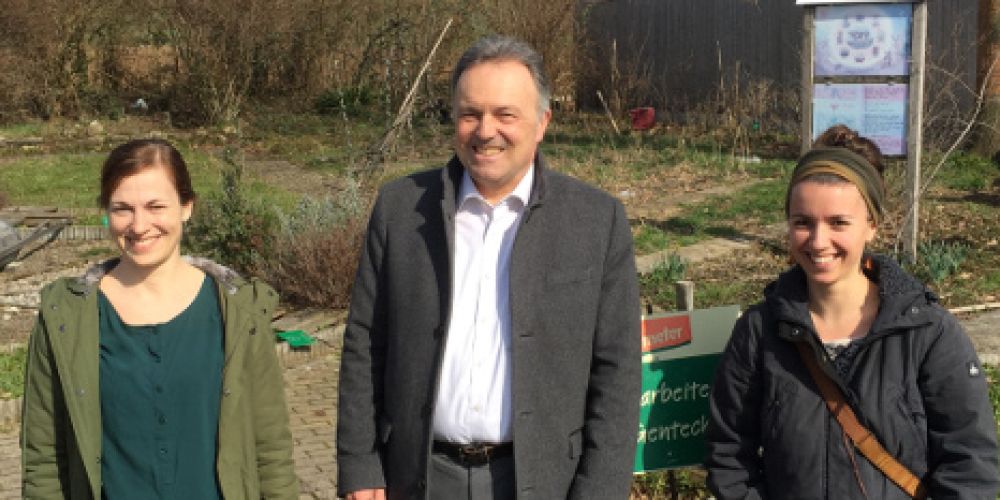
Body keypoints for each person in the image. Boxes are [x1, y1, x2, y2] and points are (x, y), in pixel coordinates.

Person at [336, 35, 642, 500]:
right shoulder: (400, 210)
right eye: (470, 113)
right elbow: (365, 342)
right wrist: (360, 465)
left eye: (505, 114)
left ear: (542, 122)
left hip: (541, 482)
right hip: (418, 476)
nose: (485, 130)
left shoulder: (597, 222)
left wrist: (599, 491)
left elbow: (616, 372)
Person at [705, 125, 1000, 499]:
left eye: (838, 223)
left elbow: (969, 466)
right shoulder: (759, 333)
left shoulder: (926, 332)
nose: (817, 241)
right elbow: (730, 457)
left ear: (872, 225)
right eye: (802, 223)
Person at [21, 139, 299, 499]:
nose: (139, 225)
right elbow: (44, 458)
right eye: (122, 209)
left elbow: (270, 446)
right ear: (106, 212)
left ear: (186, 207)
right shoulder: (66, 318)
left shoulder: (237, 312)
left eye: (155, 206)